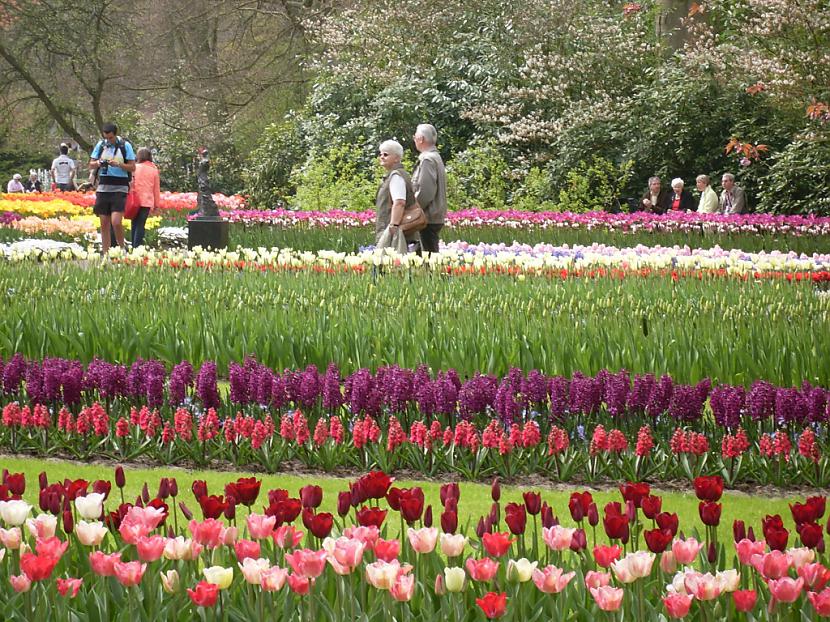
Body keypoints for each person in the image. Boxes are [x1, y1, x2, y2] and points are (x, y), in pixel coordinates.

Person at [89, 122, 136, 254]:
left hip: (120, 186)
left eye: (110, 138)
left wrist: (119, 164)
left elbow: (132, 167)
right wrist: (99, 163)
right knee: (104, 222)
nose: (108, 140)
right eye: (106, 137)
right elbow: (91, 164)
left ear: (115, 134)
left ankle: (122, 249)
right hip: (103, 186)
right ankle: (106, 252)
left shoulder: (125, 146)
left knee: (116, 221)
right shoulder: (101, 145)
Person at [374, 139, 417, 253]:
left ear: (397, 158)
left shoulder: (396, 176)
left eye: (386, 154)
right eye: (381, 154)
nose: (382, 157)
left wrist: (393, 226)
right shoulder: (394, 175)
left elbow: (399, 202)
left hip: (393, 230)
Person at [411, 123, 447, 254]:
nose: (414, 139)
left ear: (420, 139)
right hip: (432, 216)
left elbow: (425, 192)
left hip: (427, 217)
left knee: (428, 260)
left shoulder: (427, 159)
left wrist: (412, 210)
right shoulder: (436, 157)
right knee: (424, 256)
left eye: (415, 136)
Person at [130, 148, 161, 248]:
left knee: (134, 224)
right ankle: (137, 248)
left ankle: (133, 247)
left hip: (134, 201)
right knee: (140, 225)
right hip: (146, 201)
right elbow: (156, 189)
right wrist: (156, 205)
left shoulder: (134, 168)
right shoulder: (153, 170)